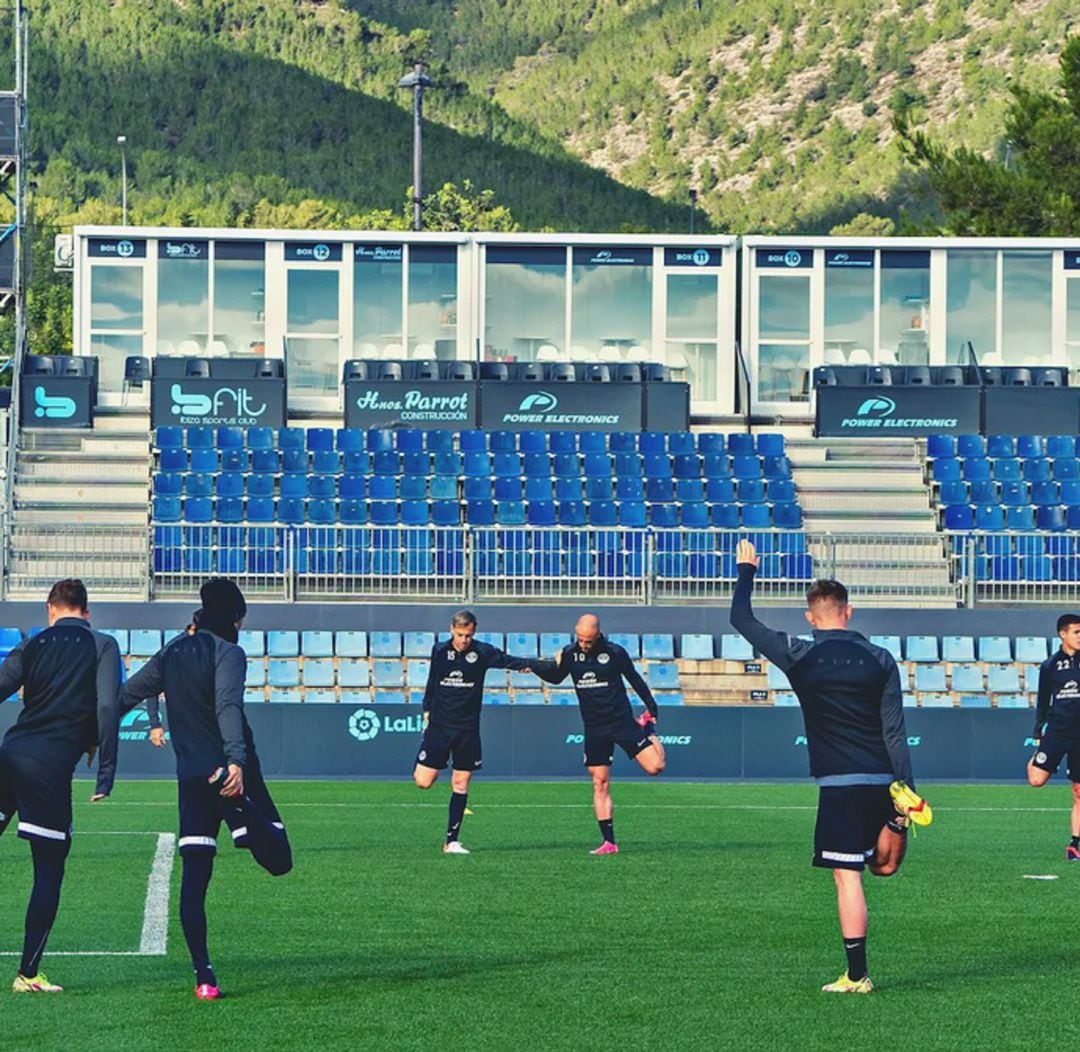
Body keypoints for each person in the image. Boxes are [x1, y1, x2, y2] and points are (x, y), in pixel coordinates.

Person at [730, 539, 929, 994]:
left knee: (848, 877)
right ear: (849, 611)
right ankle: (896, 823)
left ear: (810, 617)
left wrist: (746, 569)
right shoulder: (881, 658)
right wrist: (908, 789)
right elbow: (895, 730)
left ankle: (857, 975)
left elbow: (741, 620)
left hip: (839, 783)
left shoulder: (800, 653)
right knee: (883, 867)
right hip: (883, 777)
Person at [119, 578, 291, 1000]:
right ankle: (246, 820)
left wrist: (85, 730)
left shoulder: (173, 651)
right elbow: (227, 706)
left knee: (195, 879)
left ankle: (204, 977)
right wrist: (235, 761)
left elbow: (126, 695)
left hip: (191, 778)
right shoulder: (229, 652)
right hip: (230, 773)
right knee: (280, 859)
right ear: (234, 617)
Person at [0, 579, 123, 994]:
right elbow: (107, 705)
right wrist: (106, 769)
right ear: (86, 613)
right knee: (48, 870)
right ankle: (28, 974)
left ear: (50, 609)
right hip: (48, 769)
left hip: (9, 754)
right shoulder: (102, 644)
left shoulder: (33, 644)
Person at [533, 614, 664, 855]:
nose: (584, 644)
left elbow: (634, 679)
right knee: (599, 782)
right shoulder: (569, 653)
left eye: (589, 641)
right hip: (594, 728)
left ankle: (647, 728)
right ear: (576, 632)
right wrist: (533, 667)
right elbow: (555, 676)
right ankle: (609, 842)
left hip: (622, 722)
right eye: (581, 639)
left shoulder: (615, 653)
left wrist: (651, 707)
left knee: (655, 767)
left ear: (598, 634)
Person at [415, 610, 544, 854]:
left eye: (469, 635)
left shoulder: (482, 652)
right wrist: (426, 710)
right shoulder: (440, 650)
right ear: (452, 629)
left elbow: (509, 660)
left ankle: (451, 841)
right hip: (440, 727)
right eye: (461, 634)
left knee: (461, 781)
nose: (464, 640)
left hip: (468, 728)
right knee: (423, 782)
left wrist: (534, 666)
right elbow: (432, 681)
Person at [1027, 613, 1080, 859]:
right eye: (1077, 632)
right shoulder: (1049, 665)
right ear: (1063, 634)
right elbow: (1043, 700)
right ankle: (1038, 757)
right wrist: (1038, 731)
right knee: (1036, 780)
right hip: (1058, 730)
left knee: (1079, 792)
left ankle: (1075, 843)